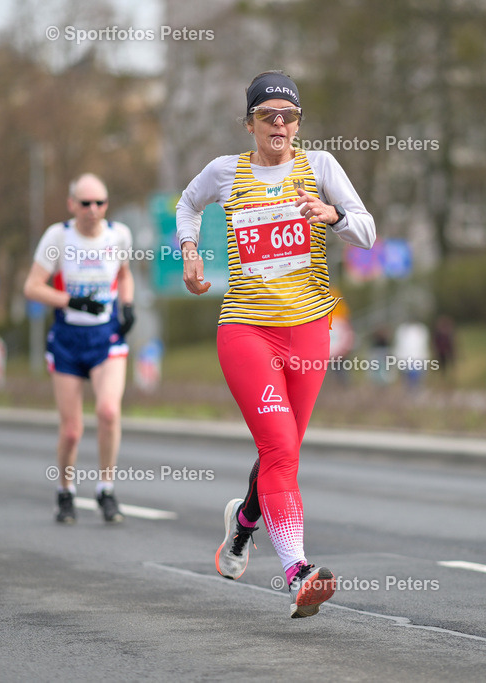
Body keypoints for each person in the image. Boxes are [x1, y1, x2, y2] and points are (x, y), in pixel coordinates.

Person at [176, 71, 376, 618]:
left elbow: (368, 230)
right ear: (250, 124)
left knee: (281, 448)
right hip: (247, 328)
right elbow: (185, 206)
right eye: (268, 116)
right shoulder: (225, 172)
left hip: (310, 328)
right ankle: (298, 572)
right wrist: (191, 253)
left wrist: (332, 215)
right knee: (281, 449)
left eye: (289, 116)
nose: (280, 125)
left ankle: (242, 524)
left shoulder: (322, 168)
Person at [23, 173, 136, 524]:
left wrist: (128, 306)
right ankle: (66, 491)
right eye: (85, 203)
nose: (93, 210)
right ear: (72, 204)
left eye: (99, 202)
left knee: (108, 412)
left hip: (106, 337)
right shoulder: (58, 237)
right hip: (69, 339)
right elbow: (32, 287)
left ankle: (106, 489)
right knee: (72, 430)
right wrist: (70, 300)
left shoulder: (119, 235)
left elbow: (125, 273)